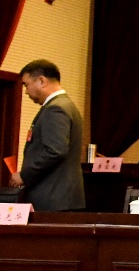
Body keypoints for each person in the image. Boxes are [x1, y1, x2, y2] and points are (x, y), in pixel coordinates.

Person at [10, 59, 84, 211]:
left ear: (42, 81)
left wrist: (24, 175)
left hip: (53, 199)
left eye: (26, 85)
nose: (26, 91)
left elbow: (55, 151)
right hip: (61, 198)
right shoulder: (67, 105)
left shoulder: (55, 109)